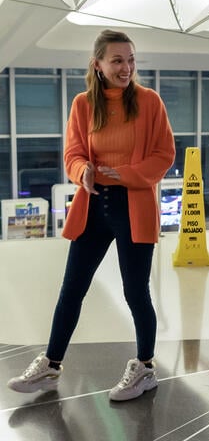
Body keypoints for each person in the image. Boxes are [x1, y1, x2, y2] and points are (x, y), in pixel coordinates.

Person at [7, 29, 175, 402]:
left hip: (133, 206)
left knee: (135, 291)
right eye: (117, 60)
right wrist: (82, 169)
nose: (126, 67)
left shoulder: (149, 102)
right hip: (94, 205)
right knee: (72, 289)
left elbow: (165, 154)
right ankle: (51, 365)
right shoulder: (83, 104)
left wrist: (127, 175)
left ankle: (145, 368)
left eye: (131, 59)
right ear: (97, 64)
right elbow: (73, 153)